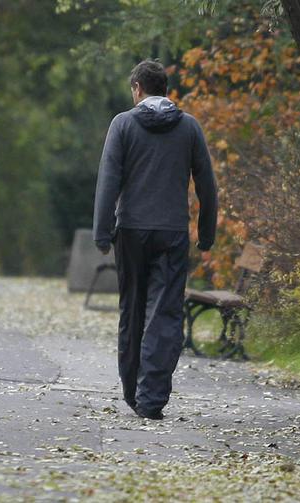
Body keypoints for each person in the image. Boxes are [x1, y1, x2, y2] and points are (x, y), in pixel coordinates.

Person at [93, 60, 218, 420]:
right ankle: (151, 399)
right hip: (172, 232)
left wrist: (103, 233)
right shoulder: (189, 127)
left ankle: (133, 392)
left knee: (132, 309)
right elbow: (207, 185)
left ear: (137, 88)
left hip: (131, 231)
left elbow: (108, 181)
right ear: (166, 89)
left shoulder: (123, 124)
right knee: (164, 313)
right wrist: (206, 233)